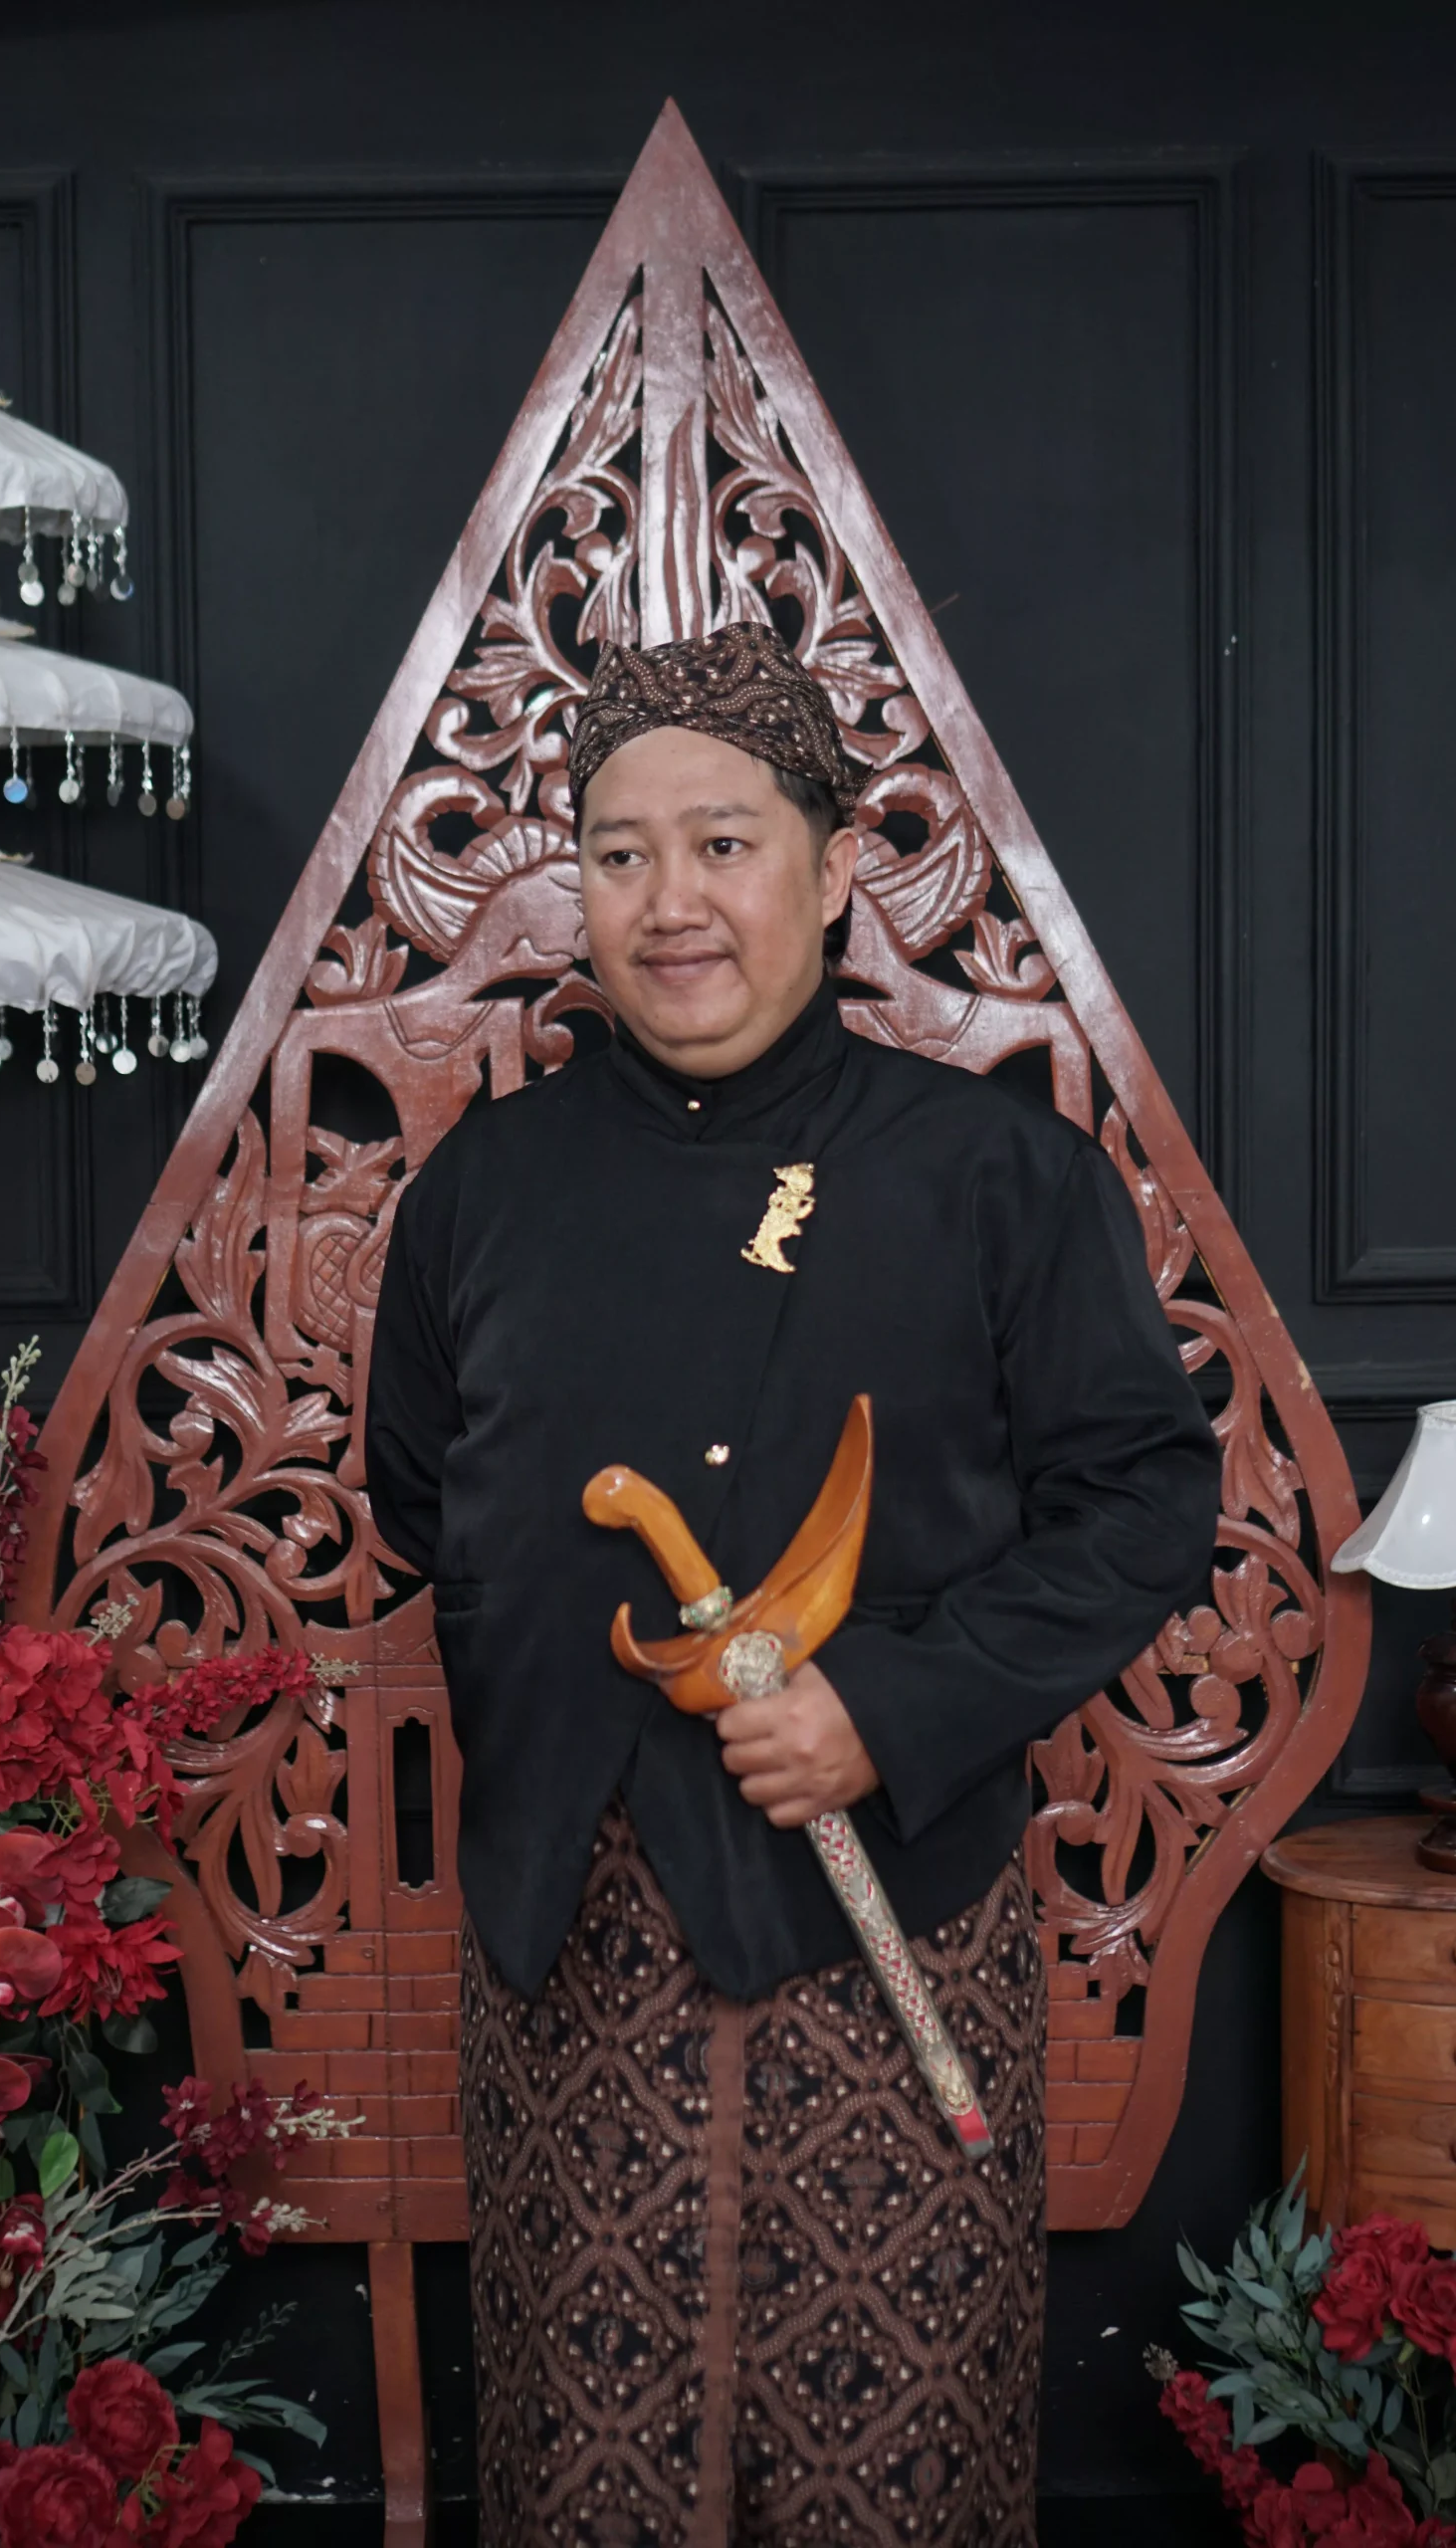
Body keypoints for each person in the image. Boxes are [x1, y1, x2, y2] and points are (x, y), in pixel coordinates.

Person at [365, 620, 1220, 2548]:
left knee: (885, 2477)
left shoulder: (993, 1174)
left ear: (834, 872)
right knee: (585, 2472)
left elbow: (1145, 1499)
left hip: (888, 1920)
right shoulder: (481, 1192)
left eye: (724, 845)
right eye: (619, 853)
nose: (669, 902)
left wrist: (889, 1704)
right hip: (571, 1953)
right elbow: (420, 1496)